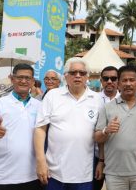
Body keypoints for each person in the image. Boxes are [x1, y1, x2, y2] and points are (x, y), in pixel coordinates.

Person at [34, 57, 104, 190]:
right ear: (66, 76)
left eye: (82, 73)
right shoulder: (52, 96)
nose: (78, 76)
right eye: (73, 72)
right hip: (54, 173)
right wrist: (40, 161)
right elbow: (40, 129)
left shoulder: (97, 99)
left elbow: (100, 135)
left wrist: (101, 161)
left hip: (84, 174)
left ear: (87, 76)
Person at [0, 63, 42, 190]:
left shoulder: (40, 106)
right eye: (19, 77)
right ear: (12, 79)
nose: (23, 81)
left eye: (27, 78)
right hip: (3, 177)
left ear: (32, 82)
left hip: (33, 176)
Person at [94, 65, 136, 190]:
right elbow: (97, 138)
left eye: (131, 80)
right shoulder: (107, 108)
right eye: (124, 80)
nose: (128, 84)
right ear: (118, 84)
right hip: (114, 172)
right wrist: (106, 130)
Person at [94, 66, 120, 190]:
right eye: (106, 78)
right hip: (94, 156)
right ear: (101, 80)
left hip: (118, 157)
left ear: (118, 81)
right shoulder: (92, 99)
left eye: (113, 78)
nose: (109, 81)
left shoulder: (126, 100)